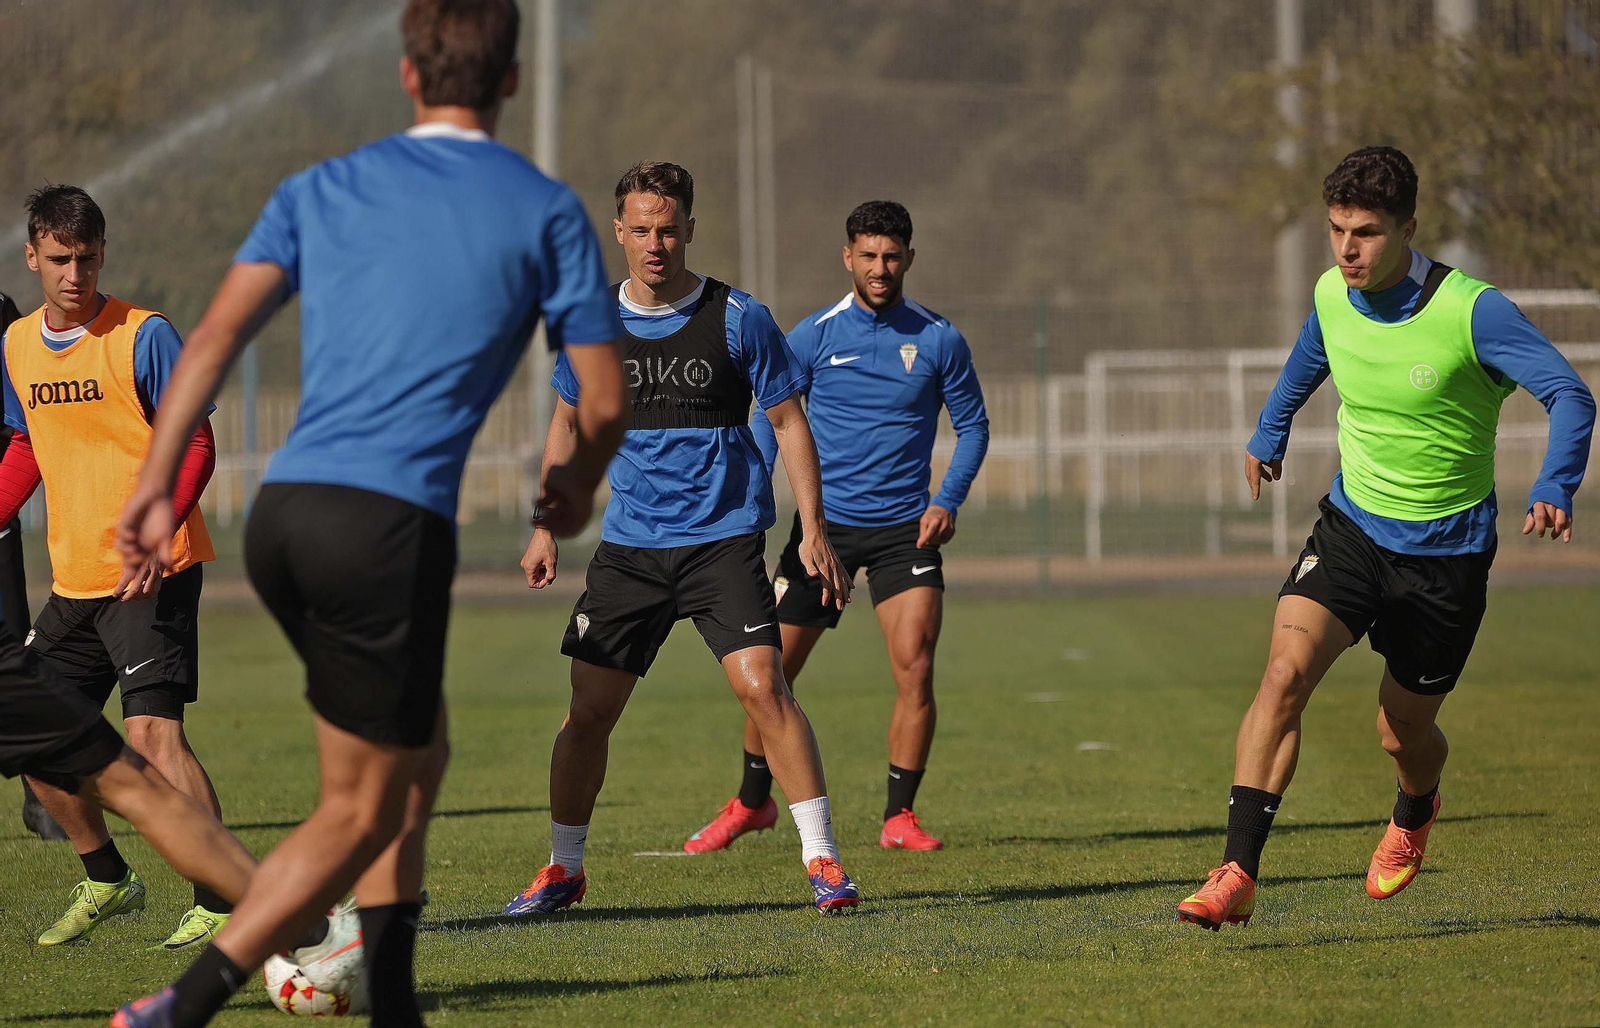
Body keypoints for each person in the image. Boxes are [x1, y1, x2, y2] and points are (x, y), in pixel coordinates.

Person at [111, 1, 627, 1024]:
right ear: (513, 82)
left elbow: (210, 339)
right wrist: (573, 486)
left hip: (287, 517)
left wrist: (154, 486)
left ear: (406, 75)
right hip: (387, 530)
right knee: (359, 802)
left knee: (417, 751)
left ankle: (394, 1001)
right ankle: (183, 1002)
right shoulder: (545, 208)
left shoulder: (320, 185)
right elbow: (604, 397)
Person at [1176, 146, 1595, 931]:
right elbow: (1315, 347)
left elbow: (1570, 395)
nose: (1345, 249)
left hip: (1447, 560)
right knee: (1283, 673)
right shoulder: (1335, 292)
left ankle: (1415, 806)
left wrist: (1554, 483)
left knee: (1401, 731)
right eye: (1335, 230)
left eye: (1365, 232)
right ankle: (1236, 870)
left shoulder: (1474, 311)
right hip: (1351, 531)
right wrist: (1271, 428)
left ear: (1408, 226)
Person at [505, 161, 862, 917]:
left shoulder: (740, 317)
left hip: (721, 542)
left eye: (668, 229)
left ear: (690, 230)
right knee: (588, 714)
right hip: (630, 549)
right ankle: (563, 870)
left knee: (764, 687)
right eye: (641, 230)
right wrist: (544, 526)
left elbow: (790, 422)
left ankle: (824, 860)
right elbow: (567, 425)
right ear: (620, 232)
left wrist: (814, 533)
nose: (655, 243)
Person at [684, 200, 989, 855]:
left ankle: (899, 817)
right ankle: (751, 802)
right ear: (848, 257)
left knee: (915, 668)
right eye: (868, 256)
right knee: (767, 673)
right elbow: (772, 416)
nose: (880, 268)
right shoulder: (815, 335)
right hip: (822, 532)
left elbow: (974, 427)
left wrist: (948, 499)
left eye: (892, 256)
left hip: (907, 530)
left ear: (909, 257)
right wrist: (756, 500)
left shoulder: (938, 339)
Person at [0, 186, 228, 949]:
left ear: (104, 254)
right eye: (59, 260)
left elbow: (195, 439)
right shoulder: (17, 345)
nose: (75, 274)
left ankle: (224, 896)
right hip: (75, 580)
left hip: (150, 572)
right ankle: (106, 878)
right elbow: (29, 445)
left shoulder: (145, 335)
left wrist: (160, 525)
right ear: (32, 257)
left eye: (87, 259)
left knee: (157, 738)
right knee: (28, 733)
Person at [0, 285, 64, 843]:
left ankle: (40, 800)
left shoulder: (2, 315)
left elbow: (21, 415)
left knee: (17, 658)